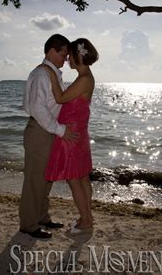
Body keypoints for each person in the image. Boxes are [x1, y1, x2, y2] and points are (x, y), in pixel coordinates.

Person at [20, 34, 78, 239]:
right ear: (52, 51)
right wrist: (61, 130)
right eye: (63, 54)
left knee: (46, 178)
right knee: (35, 179)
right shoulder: (42, 75)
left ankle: (42, 217)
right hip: (40, 132)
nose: (65, 59)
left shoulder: (52, 73)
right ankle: (28, 224)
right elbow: (38, 108)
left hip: (48, 131)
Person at [43, 38, 98, 234]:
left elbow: (60, 98)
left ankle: (85, 220)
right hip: (78, 134)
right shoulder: (85, 76)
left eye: (70, 57)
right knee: (82, 177)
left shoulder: (83, 79)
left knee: (75, 179)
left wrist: (50, 74)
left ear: (78, 55)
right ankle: (88, 217)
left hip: (73, 136)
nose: (67, 60)